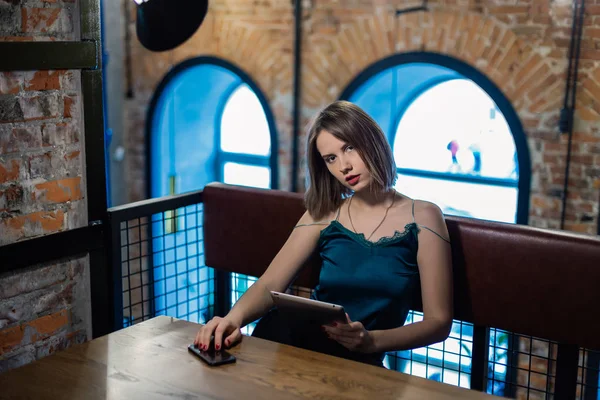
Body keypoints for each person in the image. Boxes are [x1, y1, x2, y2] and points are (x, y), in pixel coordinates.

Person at [194, 100, 453, 367]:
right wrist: (231, 319)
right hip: (290, 345)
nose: (344, 166)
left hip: (361, 364)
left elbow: (439, 322)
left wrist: (371, 341)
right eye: (331, 158)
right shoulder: (324, 215)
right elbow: (269, 283)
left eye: (349, 148)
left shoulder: (424, 217)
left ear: (372, 141)